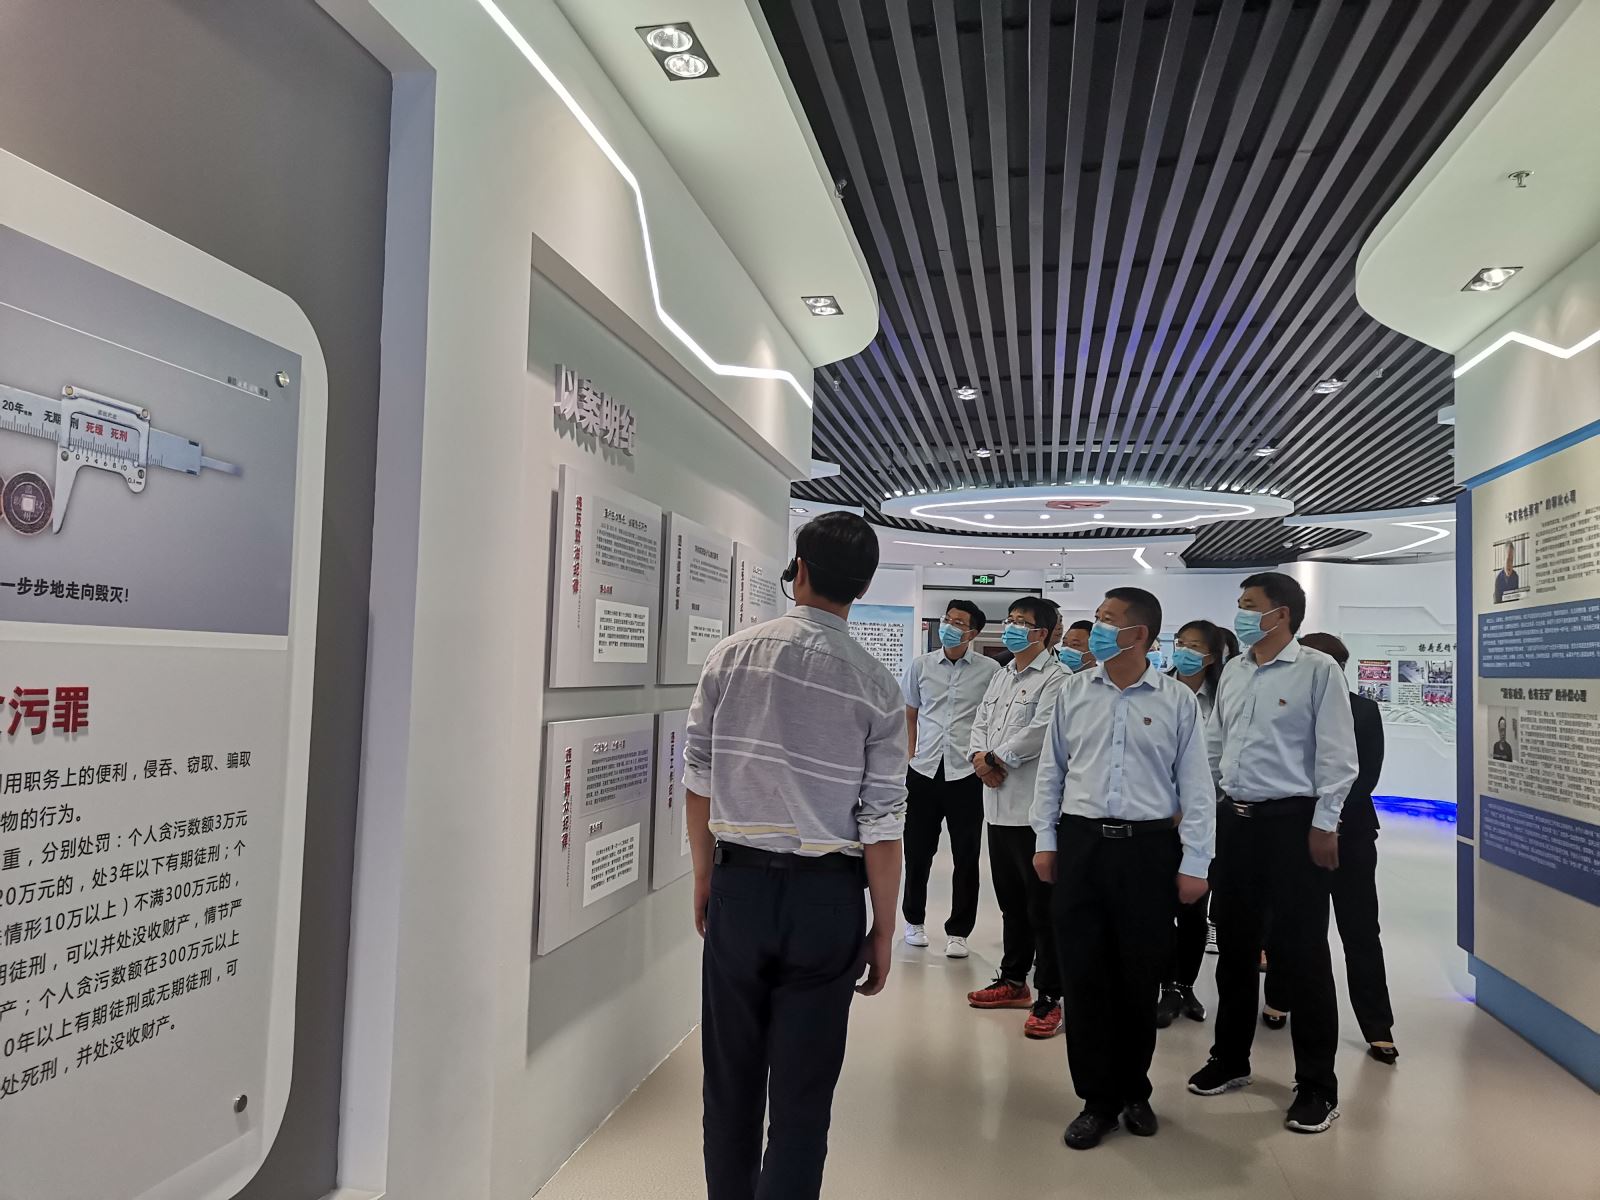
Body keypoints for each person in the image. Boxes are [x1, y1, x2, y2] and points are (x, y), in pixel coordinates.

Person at [684, 511, 906, 1200]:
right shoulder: (877, 684)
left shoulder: (731, 656)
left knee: (730, 1083)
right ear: (863, 587)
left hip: (741, 886)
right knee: (804, 1097)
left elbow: (698, 779)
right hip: (827, 900)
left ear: (798, 570)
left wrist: (704, 876)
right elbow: (883, 822)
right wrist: (884, 928)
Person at [1031, 588, 1215, 1149]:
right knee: (1084, 975)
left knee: (1138, 975)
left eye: (1108, 620)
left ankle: (1134, 1088)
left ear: (1140, 635)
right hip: (1082, 844)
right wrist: (1045, 840)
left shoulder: (1176, 701)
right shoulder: (1074, 691)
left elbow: (1197, 787)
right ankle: (1096, 1099)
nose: (1098, 629)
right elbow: (1052, 771)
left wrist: (1196, 861)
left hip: (1148, 849)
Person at [1186, 571, 1358, 1136]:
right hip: (1235, 825)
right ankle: (1230, 1059)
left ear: (1280, 613)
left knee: (1301, 955)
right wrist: (1202, 809)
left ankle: (1317, 1086)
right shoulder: (1236, 670)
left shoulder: (1317, 669)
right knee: (1234, 949)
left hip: (1292, 826)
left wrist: (1325, 823)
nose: (1239, 613)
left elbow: (1337, 754)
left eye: (1248, 604)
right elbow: (1215, 743)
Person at [1261, 633, 1398, 1065]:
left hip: (1350, 835)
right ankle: (1279, 997)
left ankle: (1377, 1025)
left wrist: (1329, 819)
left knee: (1360, 929)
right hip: (1294, 833)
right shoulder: (1287, 706)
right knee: (1291, 923)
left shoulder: (1363, 710)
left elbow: (1365, 776)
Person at [967, 596, 1069, 1039]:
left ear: (1041, 633)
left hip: (1033, 812)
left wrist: (994, 758)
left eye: (1021, 621)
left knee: (1042, 908)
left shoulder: (1058, 678)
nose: (1011, 626)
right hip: (997, 807)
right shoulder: (1003, 673)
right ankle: (1013, 980)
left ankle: (1050, 995)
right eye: (1009, 619)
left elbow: (1041, 732)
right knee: (1011, 904)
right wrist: (979, 757)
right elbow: (980, 721)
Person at [900, 600, 1001, 958]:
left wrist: (986, 759)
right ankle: (913, 921)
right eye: (947, 619)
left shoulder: (990, 671)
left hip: (966, 774)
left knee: (966, 856)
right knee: (917, 851)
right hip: (923, 771)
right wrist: (910, 755)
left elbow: (993, 719)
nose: (950, 626)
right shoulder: (921, 666)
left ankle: (958, 931)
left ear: (973, 633)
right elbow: (911, 713)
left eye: (959, 623)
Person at [1156, 618, 1229, 1029]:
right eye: (1180, 642)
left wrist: (1195, 805)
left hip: (1205, 816)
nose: (1184, 651)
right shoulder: (1159, 690)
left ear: (1212, 655)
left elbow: (1222, 758)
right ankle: (1165, 984)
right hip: (1158, 818)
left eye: (1195, 645)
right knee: (1161, 907)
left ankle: (1186, 985)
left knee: (1194, 908)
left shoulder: (1223, 698)